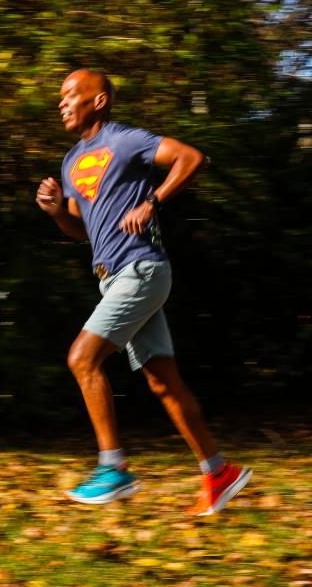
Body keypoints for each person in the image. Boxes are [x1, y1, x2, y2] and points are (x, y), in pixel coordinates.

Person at [35, 69, 251, 516]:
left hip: (142, 269)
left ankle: (112, 469)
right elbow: (81, 231)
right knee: (163, 383)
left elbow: (191, 158)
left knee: (82, 358)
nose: (62, 103)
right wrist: (58, 213)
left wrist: (151, 202)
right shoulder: (72, 161)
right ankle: (218, 472)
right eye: (60, 97)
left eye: (72, 95)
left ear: (99, 101)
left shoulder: (125, 140)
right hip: (112, 275)